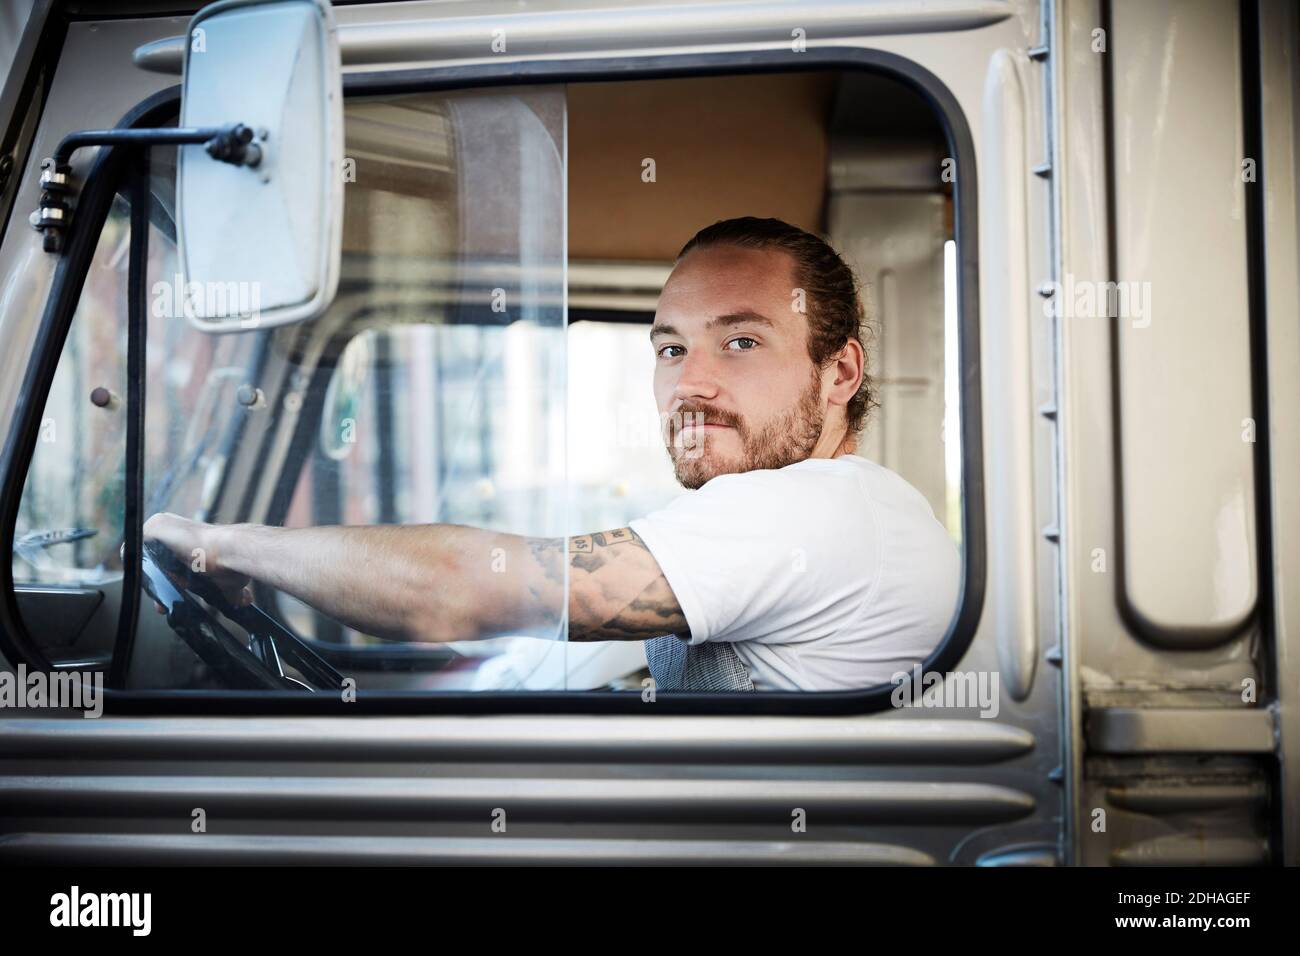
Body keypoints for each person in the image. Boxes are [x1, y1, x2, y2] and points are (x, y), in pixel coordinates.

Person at [144, 216, 960, 691]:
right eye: (671, 350)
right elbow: (527, 674)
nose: (691, 385)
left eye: (740, 341)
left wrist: (227, 544)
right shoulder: (749, 530)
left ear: (839, 372)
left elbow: (452, 591)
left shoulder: (819, 510)